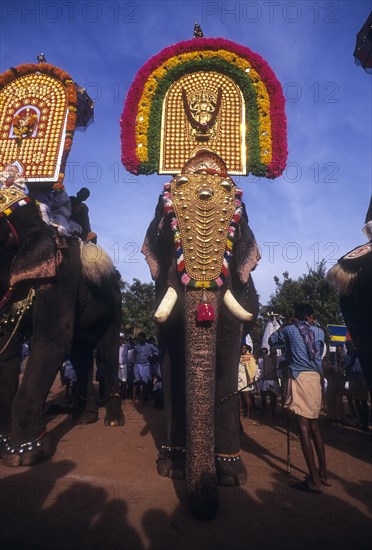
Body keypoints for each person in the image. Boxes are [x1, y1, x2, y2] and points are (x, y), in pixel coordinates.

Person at [269, 303, 330, 493]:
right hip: (315, 379)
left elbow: (272, 341)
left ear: (296, 316)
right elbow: (317, 351)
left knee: (303, 427)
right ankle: (323, 474)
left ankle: (313, 481)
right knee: (314, 427)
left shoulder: (289, 330)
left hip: (299, 378)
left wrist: (286, 325)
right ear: (310, 317)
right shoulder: (319, 331)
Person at [131, 332, 158, 403]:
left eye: (140, 337)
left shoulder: (150, 346)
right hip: (137, 365)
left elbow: (157, 351)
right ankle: (134, 399)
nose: (139, 339)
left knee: (145, 382)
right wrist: (132, 364)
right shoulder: (136, 347)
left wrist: (152, 356)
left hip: (146, 365)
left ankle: (143, 399)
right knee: (135, 381)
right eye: (138, 338)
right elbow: (133, 357)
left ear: (144, 338)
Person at [238, 344, 258, 418]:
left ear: (247, 349)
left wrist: (251, 379)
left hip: (246, 379)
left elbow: (253, 369)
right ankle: (240, 413)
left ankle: (248, 413)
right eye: (242, 348)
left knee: (247, 396)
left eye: (245, 348)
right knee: (239, 397)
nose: (243, 349)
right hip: (238, 379)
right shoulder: (238, 357)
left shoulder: (250, 357)